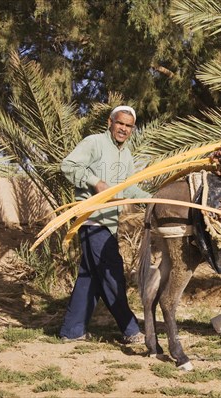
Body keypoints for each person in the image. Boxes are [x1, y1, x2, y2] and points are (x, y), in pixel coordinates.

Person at [59, 105, 151, 343]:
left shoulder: (127, 155)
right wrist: (95, 181)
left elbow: (127, 187)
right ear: (110, 122)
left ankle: (72, 331)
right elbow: (68, 165)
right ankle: (130, 330)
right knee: (112, 274)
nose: (123, 129)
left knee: (90, 277)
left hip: (110, 223)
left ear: (133, 129)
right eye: (120, 123)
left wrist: (152, 200)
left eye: (128, 126)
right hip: (92, 219)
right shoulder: (94, 143)